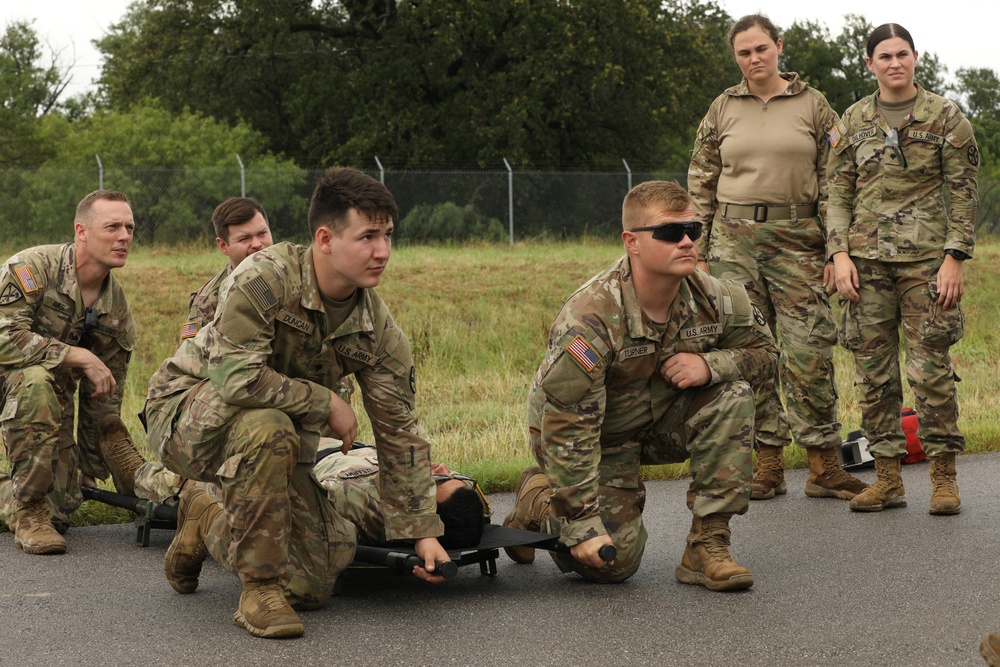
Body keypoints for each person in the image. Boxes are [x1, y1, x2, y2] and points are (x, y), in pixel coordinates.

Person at [143, 166, 450, 639]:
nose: (383, 251)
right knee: (270, 425)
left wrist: (421, 531)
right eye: (368, 236)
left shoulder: (377, 327)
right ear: (325, 239)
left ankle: (206, 517)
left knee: (315, 579)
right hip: (187, 415)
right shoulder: (266, 279)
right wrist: (324, 400)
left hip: (276, 439)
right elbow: (235, 379)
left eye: (389, 235)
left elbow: (399, 431)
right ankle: (258, 591)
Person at [503, 181, 776, 589]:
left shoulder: (716, 297)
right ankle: (539, 502)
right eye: (670, 232)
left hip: (658, 424)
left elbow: (766, 353)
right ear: (632, 241)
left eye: (694, 230)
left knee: (732, 395)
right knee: (613, 565)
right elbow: (566, 428)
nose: (686, 242)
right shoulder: (592, 317)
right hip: (593, 441)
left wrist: (711, 363)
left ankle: (708, 546)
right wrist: (580, 521)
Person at [687, 13, 867, 503]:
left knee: (809, 350)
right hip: (732, 242)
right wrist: (698, 252)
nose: (753, 59)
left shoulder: (814, 104)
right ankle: (766, 463)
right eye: (744, 53)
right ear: (736, 57)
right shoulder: (722, 107)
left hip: (798, 239)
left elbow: (836, 182)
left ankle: (824, 464)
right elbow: (700, 180)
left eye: (761, 49)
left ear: (778, 47)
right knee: (752, 352)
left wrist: (837, 248)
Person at [827, 23, 978, 514]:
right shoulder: (851, 120)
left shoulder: (947, 118)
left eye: (902, 54)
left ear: (916, 58)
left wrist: (954, 258)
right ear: (869, 64)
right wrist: (838, 254)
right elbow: (837, 194)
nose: (894, 63)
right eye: (884, 57)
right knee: (873, 375)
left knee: (930, 370)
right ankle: (888, 478)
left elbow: (963, 194)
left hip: (926, 265)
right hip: (864, 266)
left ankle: (943, 477)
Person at [103, 197, 276, 500]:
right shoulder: (209, 301)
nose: (258, 245)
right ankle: (140, 477)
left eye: (262, 234)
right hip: (235, 405)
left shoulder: (294, 279)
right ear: (223, 246)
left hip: (288, 399)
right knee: (230, 474)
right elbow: (198, 374)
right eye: (245, 238)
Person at [0, 190, 136, 555]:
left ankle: (20, 499)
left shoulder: (115, 309)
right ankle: (27, 514)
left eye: (129, 227)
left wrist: (89, 467)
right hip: (16, 386)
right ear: (82, 231)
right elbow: (3, 337)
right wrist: (76, 355)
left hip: (45, 407)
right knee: (35, 379)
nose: (124, 236)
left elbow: (105, 396)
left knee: (60, 511)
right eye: (112, 227)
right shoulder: (32, 268)